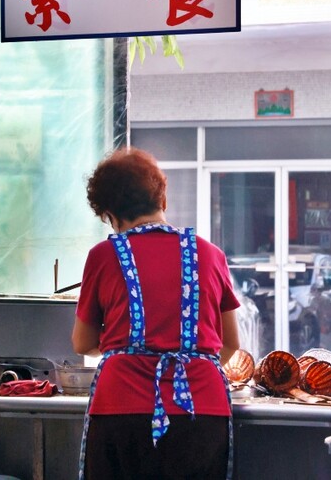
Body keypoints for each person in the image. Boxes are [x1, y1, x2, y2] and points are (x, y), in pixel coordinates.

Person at [72, 147, 240, 480]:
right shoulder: (210, 255)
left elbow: (82, 342)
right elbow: (229, 344)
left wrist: (128, 348)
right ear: (162, 200)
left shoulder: (104, 255)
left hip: (120, 409)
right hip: (201, 411)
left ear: (109, 213)